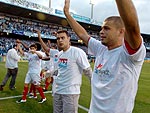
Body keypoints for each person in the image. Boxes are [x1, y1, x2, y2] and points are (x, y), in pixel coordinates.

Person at [63, 0, 146, 113]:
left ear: (121, 32)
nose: (101, 32)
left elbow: (132, 27)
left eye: (106, 28)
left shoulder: (130, 54)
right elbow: (83, 34)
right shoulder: (101, 49)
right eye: (101, 28)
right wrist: (67, 14)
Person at [36, 29, 92, 113]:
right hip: (58, 90)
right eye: (58, 39)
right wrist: (47, 74)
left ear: (68, 39)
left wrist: (95, 87)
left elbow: (87, 70)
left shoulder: (77, 52)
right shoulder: (59, 54)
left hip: (70, 92)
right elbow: (58, 70)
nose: (60, 40)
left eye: (63, 38)